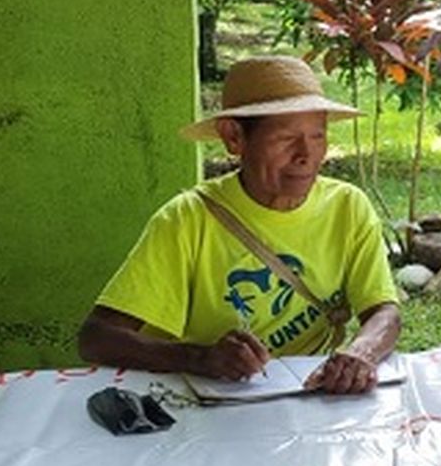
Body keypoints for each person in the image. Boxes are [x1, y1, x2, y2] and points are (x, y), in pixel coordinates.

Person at [76, 56, 402, 394]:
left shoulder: (348, 207)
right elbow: (97, 338)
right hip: (210, 410)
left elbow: (385, 312)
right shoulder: (186, 220)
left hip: (307, 399)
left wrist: (359, 352)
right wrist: (202, 358)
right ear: (234, 138)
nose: (307, 155)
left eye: (317, 137)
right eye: (285, 139)